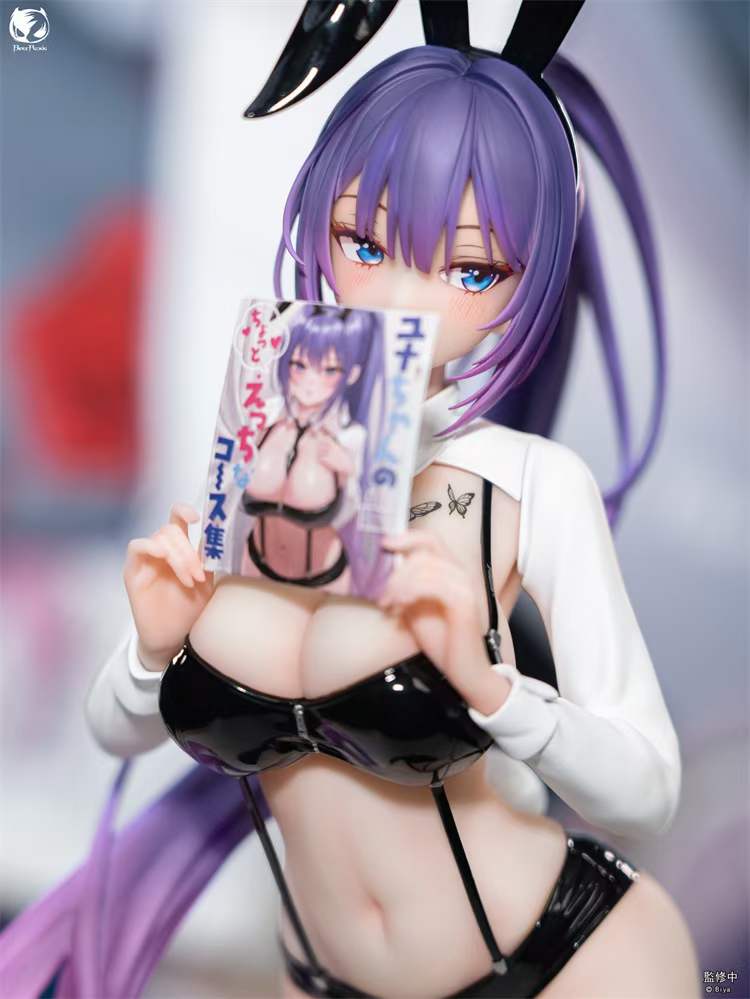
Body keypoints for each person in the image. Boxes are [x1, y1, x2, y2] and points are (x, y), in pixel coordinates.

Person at [0, 5, 700, 998]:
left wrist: (492, 688)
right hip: (317, 972)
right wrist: (152, 649)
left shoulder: (531, 484)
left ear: (530, 277)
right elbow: (116, 731)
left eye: (469, 267)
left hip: (564, 961)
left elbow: (648, 789)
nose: (405, 298)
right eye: (366, 244)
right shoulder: (258, 441)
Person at [240, 305, 383, 594]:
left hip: (324, 579)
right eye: (299, 366)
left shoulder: (351, 439)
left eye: (329, 370)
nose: (310, 382)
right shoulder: (263, 419)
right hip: (253, 563)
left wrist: (351, 473)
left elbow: (373, 520)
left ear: (352, 374)